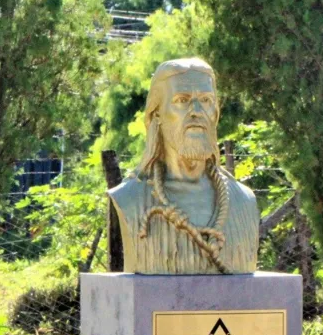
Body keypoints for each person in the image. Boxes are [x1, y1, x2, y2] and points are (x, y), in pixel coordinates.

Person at [107, 57, 260, 274]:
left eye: (206, 100)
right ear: (157, 114)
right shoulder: (130, 199)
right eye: (182, 100)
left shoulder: (243, 201)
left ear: (215, 113)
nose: (196, 110)